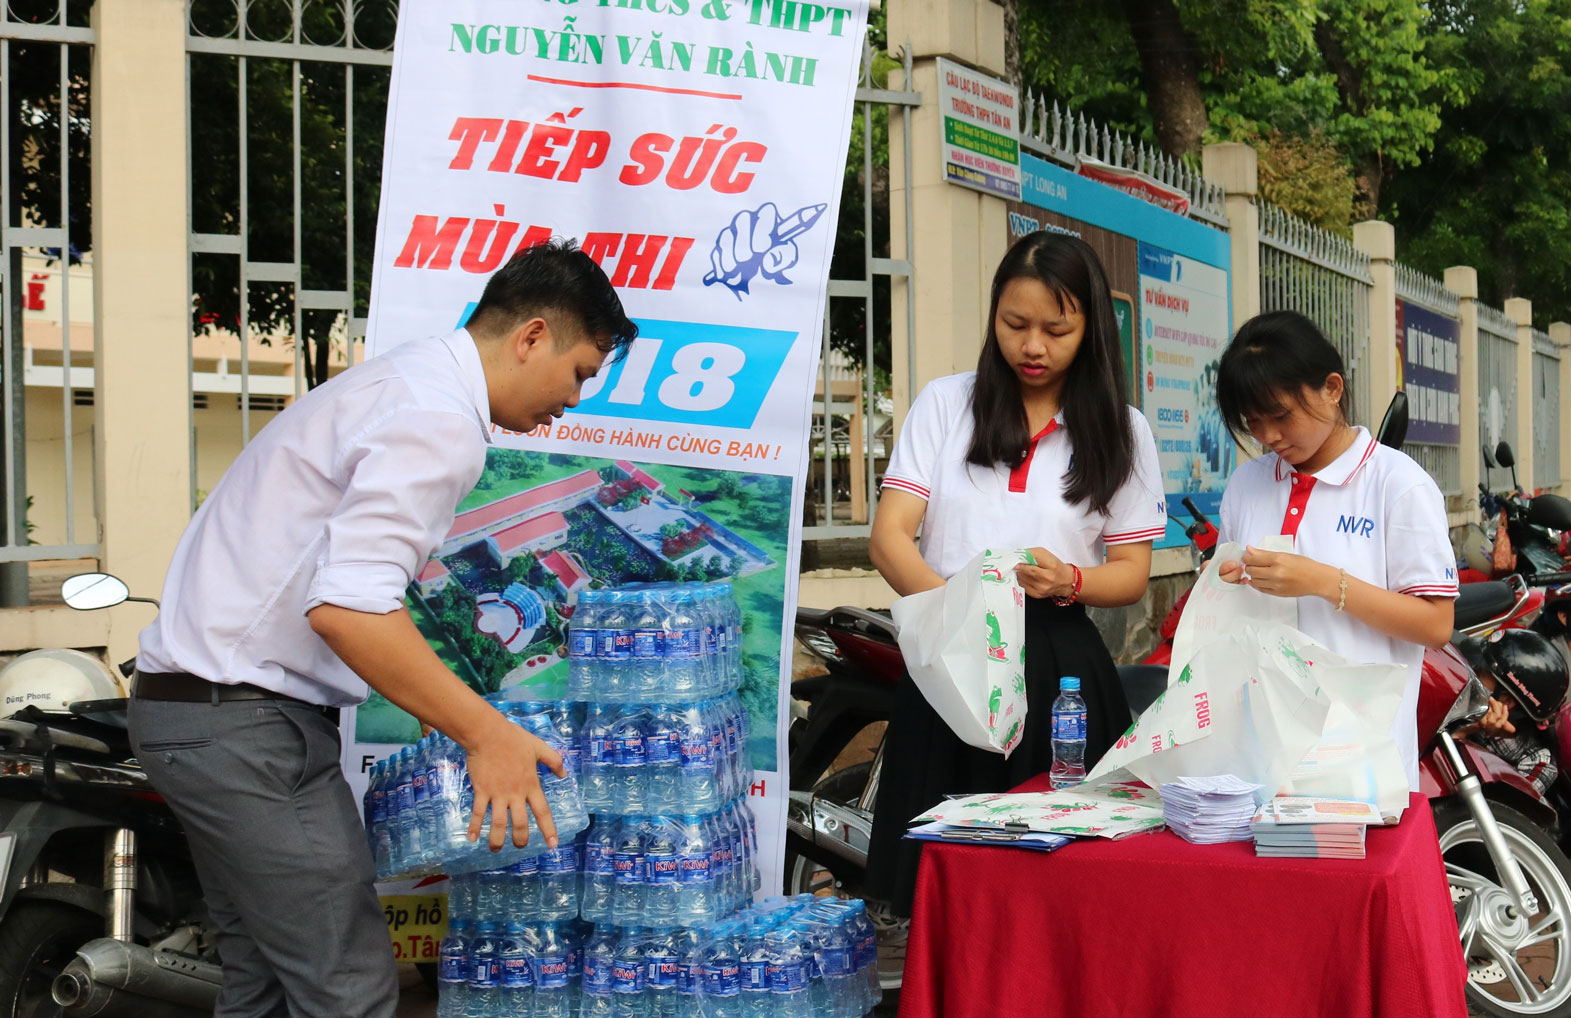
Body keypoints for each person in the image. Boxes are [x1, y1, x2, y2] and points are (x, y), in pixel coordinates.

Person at [130, 239, 637, 1018]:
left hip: (195, 712)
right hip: (243, 725)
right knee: (350, 988)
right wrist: (486, 734)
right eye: (579, 373)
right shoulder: (437, 418)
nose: (572, 400)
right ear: (532, 335)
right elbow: (349, 607)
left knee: (264, 984)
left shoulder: (398, 384)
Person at [865, 232, 1166, 916]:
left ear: (1088, 329)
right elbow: (888, 538)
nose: (1032, 346)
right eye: (1014, 324)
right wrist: (963, 625)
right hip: (949, 663)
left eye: (1055, 330)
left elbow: (1129, 575)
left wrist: (1070, 582)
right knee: (943, 885)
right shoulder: (946, 405)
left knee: (1061, 884)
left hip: (1057, 670)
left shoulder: (1120, 431)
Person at [1212, 310, 1457, 789]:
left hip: (1362, 764)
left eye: (1281, 416)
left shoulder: (1397, 484)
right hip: (1259, 756)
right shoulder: (1246, 484)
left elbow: (1434, 624)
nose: (1268, 437)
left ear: (1332, 388)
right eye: (1253, 422)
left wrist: (1324, 582)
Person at [1455, 628, 1569, 795]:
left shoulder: (1537, 762)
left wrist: (1464, 735)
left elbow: (1497, 814)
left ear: (1507, 701)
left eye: (1481, 672)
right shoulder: (1461, 693)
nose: (1472, 671)